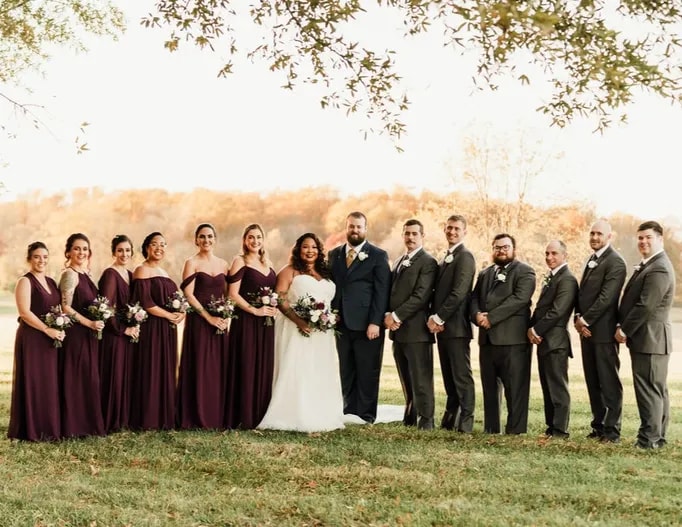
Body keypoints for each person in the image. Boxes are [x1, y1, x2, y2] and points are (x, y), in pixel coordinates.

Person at [258, 233, 345, 432]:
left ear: (319, 250)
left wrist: (329, 318)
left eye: (314, 247)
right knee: (298, 368)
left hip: (322, 333)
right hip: (295, 328)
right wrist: (300, 321)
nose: (310, 251)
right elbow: (279, 299)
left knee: (318, 369)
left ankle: (321, 411)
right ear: (298, 249)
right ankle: (294, 412)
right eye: (305, 247)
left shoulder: (325, 272)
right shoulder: (289, 271)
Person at [616, 220, 675, 449]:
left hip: (650, 338)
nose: (643, 242)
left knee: (649, 389)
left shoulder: (659, 266)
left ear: (660, 239)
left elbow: (645, 306)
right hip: (651, 339)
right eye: (640, 238)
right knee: (656, 388)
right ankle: (656, 437)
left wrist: (624, 329)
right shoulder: (650, 264)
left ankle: (648, 440)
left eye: (648, 237)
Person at [328, 211, 391, 424]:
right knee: (346, 369)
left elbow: (382, 292)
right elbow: (333, 287)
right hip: (341, 323)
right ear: (346, 228)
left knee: (367, 370)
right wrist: (332, 313)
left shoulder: (378, 255)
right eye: (351, 226)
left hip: (367, 324)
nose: (355, 230)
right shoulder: (334, 254)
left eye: (359, 227)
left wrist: (375, 321)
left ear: (366, 229)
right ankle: (349, 411)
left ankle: (366, 414)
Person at [470, 233, 535, 435]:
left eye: (506, 247)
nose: (501, 251)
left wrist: (492, 317)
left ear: (513, 249)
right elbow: (473, 298)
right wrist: (477, 315)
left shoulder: (525, 272)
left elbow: (519, 299)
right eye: (497, 247)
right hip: (487, 341)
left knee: (515, 388)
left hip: (513, 341)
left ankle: (515, 430)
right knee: (490, 388)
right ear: (493, 249)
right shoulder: (485, 273)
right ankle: (491, 428)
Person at [574, 219, 626, 443]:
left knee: (609, 382)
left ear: (609, 236)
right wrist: (577, 317)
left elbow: (607, 297)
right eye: (592, 233)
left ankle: (612, 431)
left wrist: (585, 319)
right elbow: (582, 293)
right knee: (592, 380)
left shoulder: (616, 262)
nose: (594, 237)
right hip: (586, 332)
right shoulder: (591, 259)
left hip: (604, 333)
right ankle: (598, 426)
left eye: (599, 234)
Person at [384, 219, 438, 430]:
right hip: (398, 332)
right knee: (405, 377)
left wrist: (396, 316)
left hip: (417, 331)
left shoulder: (428, 262)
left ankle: (426, 421)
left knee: (421, 379)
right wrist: (388, 314)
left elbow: (421, 296)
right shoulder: (398, 261)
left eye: (415, 233)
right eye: (407, 233)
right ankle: (410, 417)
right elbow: (392, 292)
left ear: (422, 236)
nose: (410, 237)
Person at [130, 232, 185, 431]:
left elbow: (175, 299)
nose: (159, 248)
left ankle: (164, 416)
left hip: (167, 329)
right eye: (154, 244)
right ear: (146, 247)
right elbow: (146, 303)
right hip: (151, 328)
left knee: (166, 368)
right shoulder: (141, 270)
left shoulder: (164, 272)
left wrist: (180, 312)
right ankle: (148, 418)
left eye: (163, 244)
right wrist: (169, 316)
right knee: (151, 368)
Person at [8, 242, 64, 441]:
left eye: (45, 257)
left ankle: (48, 428)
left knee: (48, 383)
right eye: (37, 257)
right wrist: (47, 329)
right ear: (29, 259)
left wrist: (60, 327)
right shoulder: (25, 281)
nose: (42, 261)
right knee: (33, 382)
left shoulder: (51, 281)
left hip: (50, 339)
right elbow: (24, 312)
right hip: (32, 338)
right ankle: (29, 430)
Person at [177, 223, 230, 430]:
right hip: (200, 322)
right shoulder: (191, 262)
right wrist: (208, 317)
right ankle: (196, 415)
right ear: (196, 240)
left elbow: (227, 294)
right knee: (200, 366)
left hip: (220, 322)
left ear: (215, 239)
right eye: (202, 237)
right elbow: (188, 294)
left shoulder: (224, 264)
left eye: (209, 236)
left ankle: (216, 414)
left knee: (218, 368)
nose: (206, 240)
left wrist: (225, 314)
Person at [226, 224, 278, 429]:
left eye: (258, 237)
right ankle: (244, 415)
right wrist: (255, 310)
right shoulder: (240, 260)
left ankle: (261, 413)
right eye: (251, 237)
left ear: (263, 240)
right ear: (244, 240)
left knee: (263, 364)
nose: (255, 241)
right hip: (246, 320)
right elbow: (232, 294)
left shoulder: (268, 262)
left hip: (266, 323)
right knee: (246, 363)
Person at [427, 214, 476, 433]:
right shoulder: (445, 256)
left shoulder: (465, 257)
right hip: (443, 328)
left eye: (457, 228)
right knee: (449, 377)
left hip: (456, 327)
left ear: (464, 231)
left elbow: (459, 293)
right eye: (449, 228)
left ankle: (466, 422)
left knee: (461, 377)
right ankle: (449, 420)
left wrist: (438, 317)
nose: (452, 232)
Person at [528, 240, 578, 438]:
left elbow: (558, 311)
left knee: (557, 386)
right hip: (544, 341)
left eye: (554, 253)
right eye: (547, 253)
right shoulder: (552, 276)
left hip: (556, 341)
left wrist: (536, 330)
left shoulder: (567, 279)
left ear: (564, 255)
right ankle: (551, 427)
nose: (549, 257)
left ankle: (560, 430)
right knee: (547, 386)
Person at [58, 233, 105, 438]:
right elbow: (65, 306)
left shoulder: (87, 274)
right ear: (68, 252)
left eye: (85, 249)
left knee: (88, 378)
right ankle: (73, 426)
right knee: (75, 377)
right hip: (76, 334)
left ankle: (88, 424)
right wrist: (89, 323)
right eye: (77, 248)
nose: (81, 252)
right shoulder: (70, 274)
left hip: (90, 334)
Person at [98, 234, 138, 433]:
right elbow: (107, 308)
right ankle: (110, 420)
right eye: (120, 250)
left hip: (127, 335)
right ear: (114, 252)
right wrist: (123, 329)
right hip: (114, 335)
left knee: (125, 376)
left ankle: (123, 419)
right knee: (114, 376)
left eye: (128, 250)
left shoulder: (130, 275)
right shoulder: (110, 274)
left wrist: (135, 323)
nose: (124, 254)